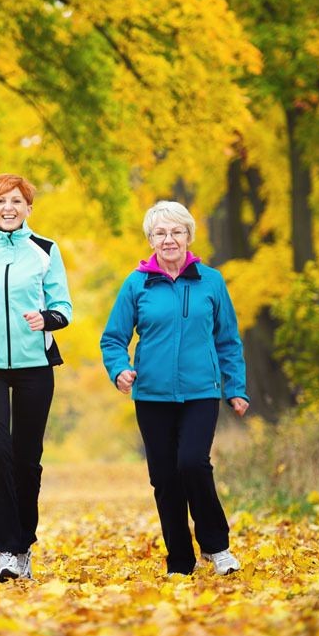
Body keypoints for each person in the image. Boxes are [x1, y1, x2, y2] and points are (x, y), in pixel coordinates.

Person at [100, 200, 249, 577]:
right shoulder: (136, 284)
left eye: (177, 231)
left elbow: (228, 340)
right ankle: (180, 560)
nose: (169, 239)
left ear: (188, 237)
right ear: (151, 239)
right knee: (165, 479)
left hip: (201, 391)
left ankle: (217, 548)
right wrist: (120, 370)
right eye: (161, 233)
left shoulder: (211, 281)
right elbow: (113, 339)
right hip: (152, 396)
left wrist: (236, 387)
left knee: (192, 464)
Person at [0, 173, 73, 582]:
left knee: (26, 459)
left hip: (34, 366)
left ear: (28, 208)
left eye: (17, 201)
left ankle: (23, 545)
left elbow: (63, 306)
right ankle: (3, 551)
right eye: (1, 201)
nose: (9, 208)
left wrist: (47, 319)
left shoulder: (45, 251)